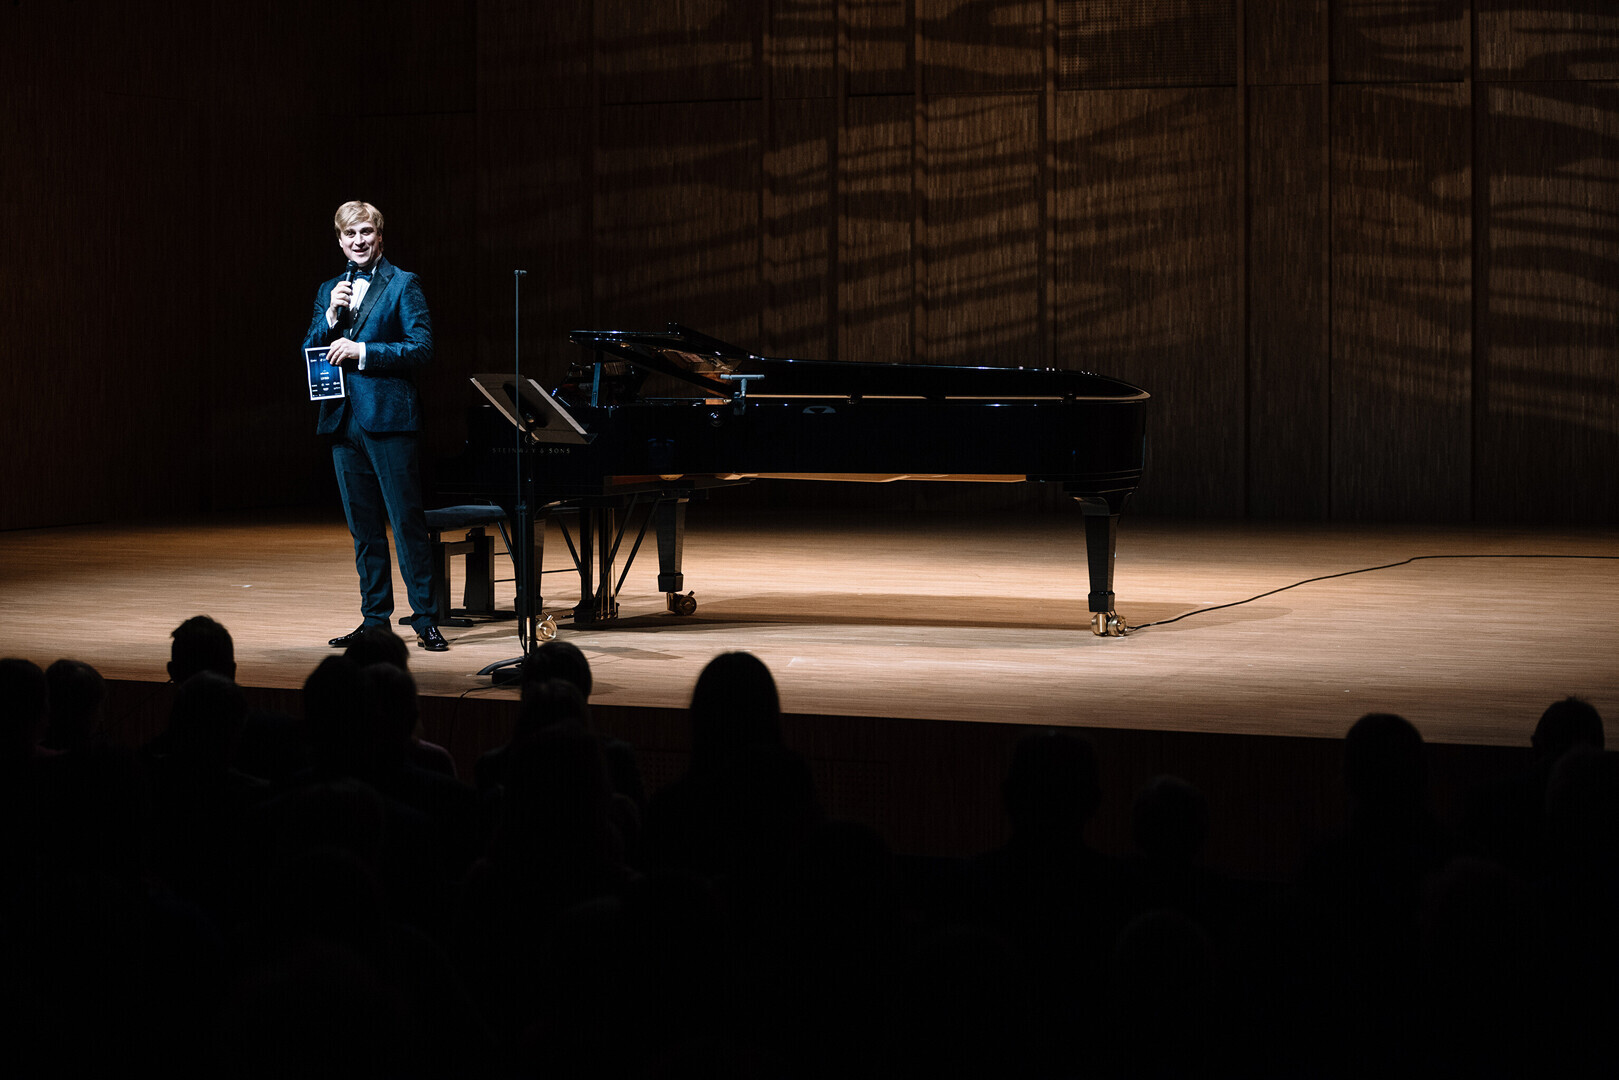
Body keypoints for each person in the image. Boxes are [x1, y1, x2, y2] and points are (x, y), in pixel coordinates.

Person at [301, 200, 446, 651]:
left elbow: (421, 347)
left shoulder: (403, 283)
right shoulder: (329, 289)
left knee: (405, 523)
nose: (359, 241)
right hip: (342, 422)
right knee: (363, 529)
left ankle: (425, 618)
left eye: (366, 232)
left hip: (389, 419)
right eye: (350, 234)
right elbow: (310, 348)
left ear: (380, 235)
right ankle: (374, 620)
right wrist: (329, 319)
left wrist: (362, 352)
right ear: (340, 240)